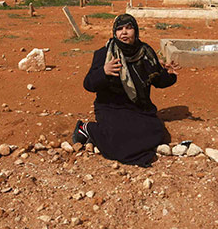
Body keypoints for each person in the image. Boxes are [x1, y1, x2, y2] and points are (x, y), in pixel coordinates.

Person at [73, 14, 179, 166]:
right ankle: (86, 128)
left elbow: (158, 80)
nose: (124, 32)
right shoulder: (104, 54)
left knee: (156, 131)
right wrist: (103, 72)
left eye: (129, 28)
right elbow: (88, 84)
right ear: (114, 33)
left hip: (138, 108)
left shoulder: (145, 53)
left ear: (135, 31)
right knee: (118, 138)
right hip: (111, 107)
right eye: (119, 29)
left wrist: (170, 75)